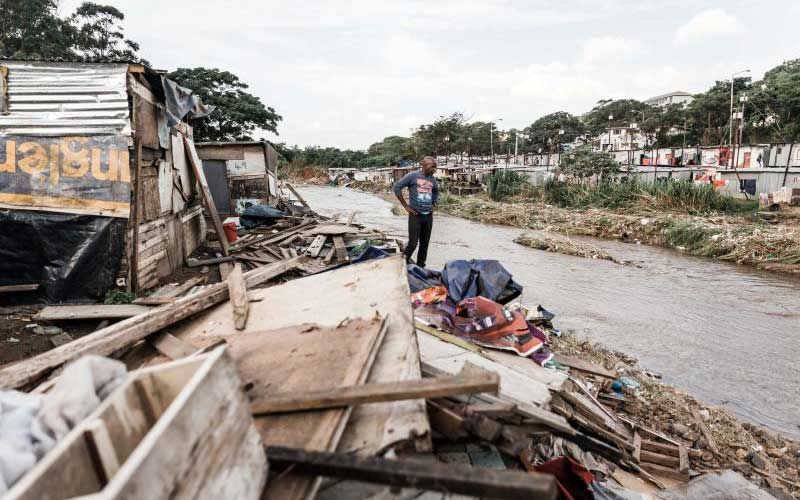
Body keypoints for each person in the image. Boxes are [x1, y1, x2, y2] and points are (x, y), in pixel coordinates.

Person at [393, 156, 439, 268]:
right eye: (432, 166)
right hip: (415, 216)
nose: (434, 169)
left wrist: (434, 203)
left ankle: (420, 267)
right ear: (423, 165)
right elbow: (397, 187)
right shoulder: (412, 176)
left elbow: (436, 191)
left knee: (425, 244)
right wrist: (406, 206)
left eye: (435, 167)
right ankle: (401, 265)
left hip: (428, 216)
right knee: (413, 243)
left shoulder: (432, 179)